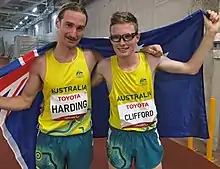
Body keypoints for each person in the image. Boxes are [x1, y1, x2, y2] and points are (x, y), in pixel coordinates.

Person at [0, 2, 163, 169]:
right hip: (49, 138)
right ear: (58, 23)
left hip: (81, 138)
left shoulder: (91, 57)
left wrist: (143, 51)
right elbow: (25, 100)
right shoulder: (41, 64)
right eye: (69, 25)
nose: (73, 33)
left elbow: (120, 58)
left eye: (79, 28)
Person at [92, 10, 220, 169]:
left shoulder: (151, 60)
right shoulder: (104, 66)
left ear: (137, 37)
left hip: (148, 136)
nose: (122, 43)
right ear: (110, 39)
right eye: (116, 38)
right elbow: (85, 88)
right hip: (119, 137)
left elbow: (191, 68)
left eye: (128, 36)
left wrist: (210, 34)